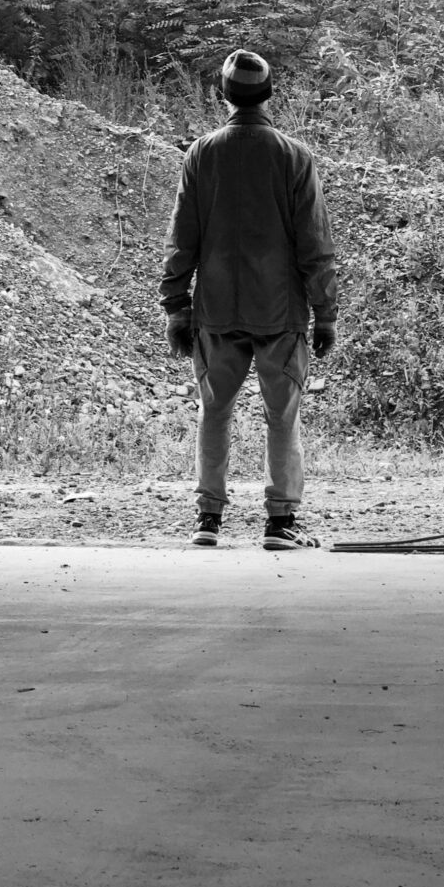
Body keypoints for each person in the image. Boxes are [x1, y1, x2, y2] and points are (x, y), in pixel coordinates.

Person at [160, 47, 338, 551]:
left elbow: (182, 238)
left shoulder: (202, 153)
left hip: (215, 310)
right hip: (279, 313)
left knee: (213, 412)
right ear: (269, 94)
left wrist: (177, 305)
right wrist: (325, 314)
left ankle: (208, 519)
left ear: (223, 96)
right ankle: (280, 523)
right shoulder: (294, 157)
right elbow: (315, 244)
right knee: (282, 416)